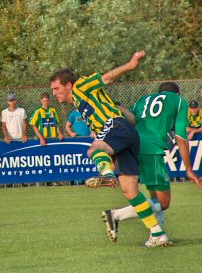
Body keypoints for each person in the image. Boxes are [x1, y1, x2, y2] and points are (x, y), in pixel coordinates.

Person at [50, 51, 170, 247]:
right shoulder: (82, 105)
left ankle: (107, 174)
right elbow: (124, 116)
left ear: (69, 84)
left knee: (93, 149)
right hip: (126, 134)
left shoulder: (80, 86)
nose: (54, 93)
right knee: (130, 191)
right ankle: (157, 233)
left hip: (116, 127)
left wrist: (130, 65)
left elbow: (105, 78)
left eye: (56, 88)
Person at [102, 82, 201, 243]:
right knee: (163, 202)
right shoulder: (179, 101)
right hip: (150, 148)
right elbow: (181, 138)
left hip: (130, 145)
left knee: (156, 196)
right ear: (177, 93)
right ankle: (116, 215)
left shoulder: (141, 100)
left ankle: (157, 235)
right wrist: (189, 169)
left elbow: (131, 121)